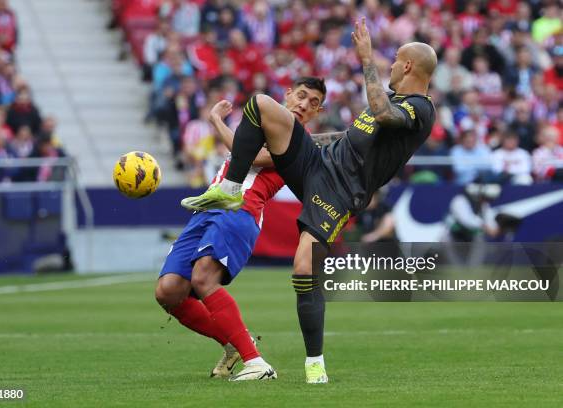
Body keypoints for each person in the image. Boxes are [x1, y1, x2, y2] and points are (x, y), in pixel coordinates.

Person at [182, 19, 437, 383]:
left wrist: (367, 59)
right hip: (317, 164)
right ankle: (230, 188)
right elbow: (350, 136)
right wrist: (314, 140)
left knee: (303, 268)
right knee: (261, 104)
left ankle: (314, 362)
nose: (391, 65)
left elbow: (382, 114)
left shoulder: (419, 108)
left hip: (341, 191)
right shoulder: (391, 98)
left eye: (395, 60)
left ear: (408, 66)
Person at [157, 77, 342, 382]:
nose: (303, 104)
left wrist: (216, 120)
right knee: (169, 291)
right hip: (209, 207)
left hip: (241, 209)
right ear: (287, 94)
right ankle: (232, 344)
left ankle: (255, 361)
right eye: (301, 96)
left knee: (203, 277)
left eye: (312, 103)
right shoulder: (262, 126)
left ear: (316, 113)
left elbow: (251, 157)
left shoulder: (295, 142)